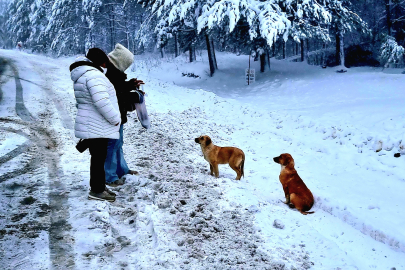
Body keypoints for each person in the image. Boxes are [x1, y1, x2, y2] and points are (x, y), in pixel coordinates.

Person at [70, 48, 121, 202]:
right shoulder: (94, 76)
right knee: (99, 158)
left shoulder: (84, 74)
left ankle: (98, 186)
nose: (106, 64)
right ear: (100, 61)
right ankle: (97, 190)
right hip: (97, 123)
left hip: (93, 122)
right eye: (105, 60)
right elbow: (101, 101)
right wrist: (115, 118)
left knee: (98, 157)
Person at [104, 43, 145, 187]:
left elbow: (120, 89)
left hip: (117, 118)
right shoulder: (111, 77)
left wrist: (131, 85)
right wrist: (134, 97)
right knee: (112, 146)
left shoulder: (115, 76)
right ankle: (109, 177)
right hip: (112, 118)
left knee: (117, 144)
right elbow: (117, 96)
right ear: (120, 63)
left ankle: (121, 170)